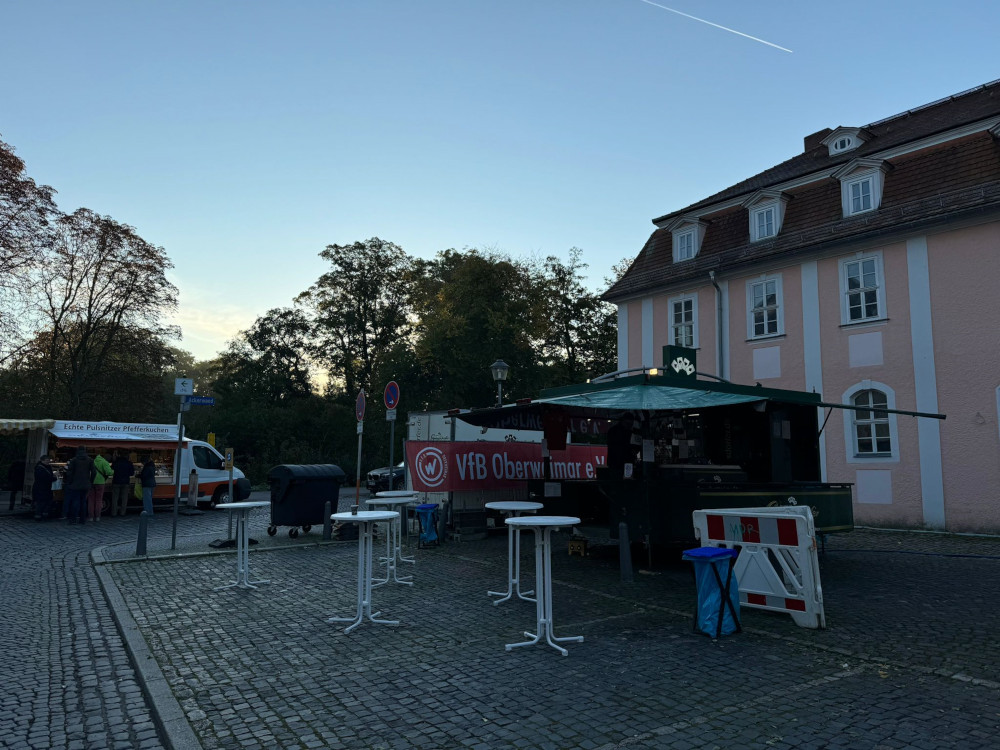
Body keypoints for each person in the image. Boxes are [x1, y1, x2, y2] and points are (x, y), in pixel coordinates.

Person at [62, 447, 96, 524]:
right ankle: (82, 519)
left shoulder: (74, 460)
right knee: (83, 501)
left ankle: (73, 519)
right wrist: (91, 481)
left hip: (75, 484)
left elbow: (69, 473)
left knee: (75, 501)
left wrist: (69, 482)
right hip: (86, 484)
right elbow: (94, 472)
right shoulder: (90, 460)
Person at [110, 453, 135, 517]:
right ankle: (122, 512)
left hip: (116, 481)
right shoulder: (129, 463)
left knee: (115, 498)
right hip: (125, 482)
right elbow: (132, 473)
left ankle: (114, 513)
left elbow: (111, 471)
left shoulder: (115, 462)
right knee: (124, 498)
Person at [89, 452, 112, 522]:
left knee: (91, 500)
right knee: (99, 500)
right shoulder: (104, 462)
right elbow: (109, 472)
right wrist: (114, 471)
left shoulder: (92, 461)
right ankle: (98, 517)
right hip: (100, 482)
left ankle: (90, 517)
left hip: (92, 482)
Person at [32, 456, 55, 520]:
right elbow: (45, 478)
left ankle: (41, 515)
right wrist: (53, 478)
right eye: (47, 460)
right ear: (42, 460)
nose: (48, 461)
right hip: (42, 488)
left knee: (45, 502)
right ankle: (39, 515)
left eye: (48, 460)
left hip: (43, 488)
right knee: (42, 502)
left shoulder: (41, 467)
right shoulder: (40, 468)